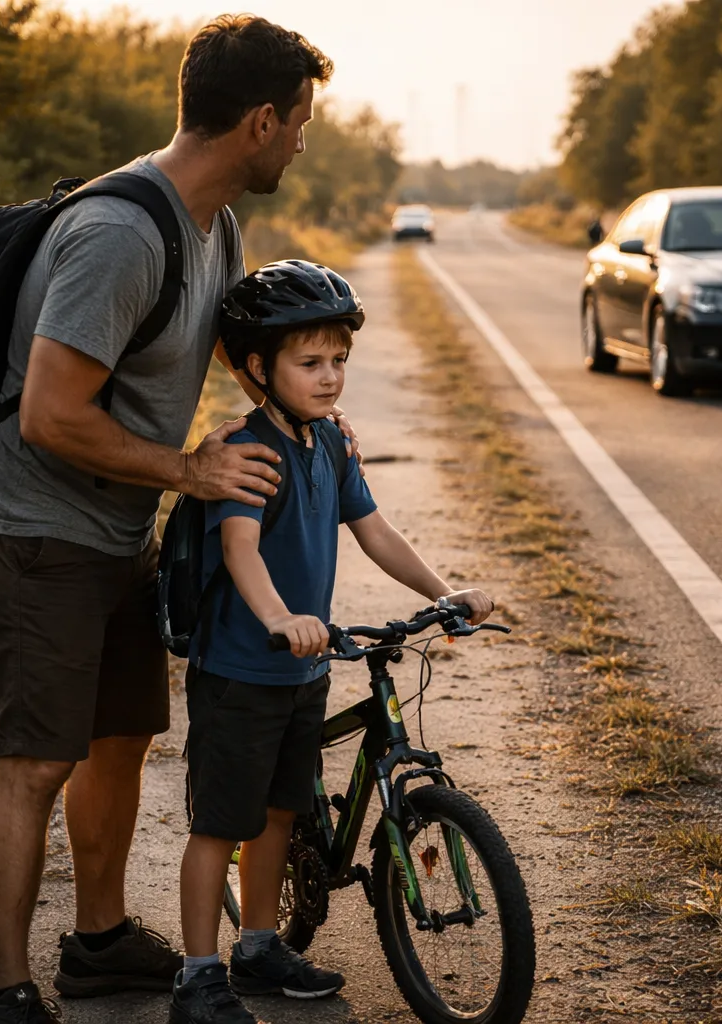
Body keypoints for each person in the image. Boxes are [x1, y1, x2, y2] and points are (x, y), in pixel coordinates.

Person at [0, 17, 345, 1024]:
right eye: (300, 121)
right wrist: (188, 468)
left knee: (120, 735)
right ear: (260, 121)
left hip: (120, 531)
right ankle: (4, 992)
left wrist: (296, 416)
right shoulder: (123, 234)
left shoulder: (214, 225)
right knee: (36, 759)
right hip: (37, 530)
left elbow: (234, 354)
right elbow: (49, 414)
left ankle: (96, 942)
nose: (304, 139)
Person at [173, 261, 496, 1024]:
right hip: (243, 668)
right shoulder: (249, 452)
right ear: (259, 367)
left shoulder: (332, 445)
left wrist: (442, 592)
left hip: (300, 670)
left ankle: (258, 946)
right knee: (223, 823)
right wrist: (283, 618)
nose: (329, 378)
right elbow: (243, 552)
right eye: (309, 363)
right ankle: (195, 978)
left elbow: (376, 530)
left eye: (339, 362)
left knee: (280, 813)